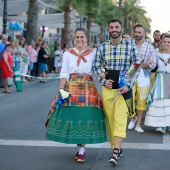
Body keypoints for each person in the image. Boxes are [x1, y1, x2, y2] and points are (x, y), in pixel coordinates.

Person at [45, 28, 106, 163]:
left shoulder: (93, 53)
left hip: (88, 87)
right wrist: (61, 90)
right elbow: (64, 73)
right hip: (71, 86)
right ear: (74, 39)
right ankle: (79, 146)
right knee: (73, 116)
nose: (79, 40)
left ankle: (82, 150)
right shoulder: (67, 54)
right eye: (77, 37)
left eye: (82, 37)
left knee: (85, 116)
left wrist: (103, 74)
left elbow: (98, 70)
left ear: (86, 38)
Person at [93, 18, 139, 166]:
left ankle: (115, 153)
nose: (114, 29)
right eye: (111, 27)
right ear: (108, 30)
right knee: (111, 121)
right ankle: (117, 147)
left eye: (117, 27)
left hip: (123, 89)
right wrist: (102, 81)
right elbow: (96, 66)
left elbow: (136, 66)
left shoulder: (130, 46)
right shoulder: (101, 47)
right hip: (108, 88)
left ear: (121, 29)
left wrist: (129, 85)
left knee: (120, 119)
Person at [128, 24, 156, 133]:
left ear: (143, 34)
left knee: (142, 101)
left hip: (144, 77)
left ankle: (138, 124)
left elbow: (152, 64)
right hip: (130, 77)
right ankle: (132, 118)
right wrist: (143, 63)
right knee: (129, 99)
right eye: (136, 32)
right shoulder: (128, 45)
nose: (137, 34)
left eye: (140, 32)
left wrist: (136, 65)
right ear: (133, 33)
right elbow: (126, 62)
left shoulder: (149, 47)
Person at [145, 34, 170, 133]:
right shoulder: (157, 54)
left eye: (168, 42)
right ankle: (161, 124)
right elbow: (153, 66)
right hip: (160, 79)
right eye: (164, 42)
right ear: (161, 42)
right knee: (160, 101)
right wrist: (149, 63)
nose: (166, 44)